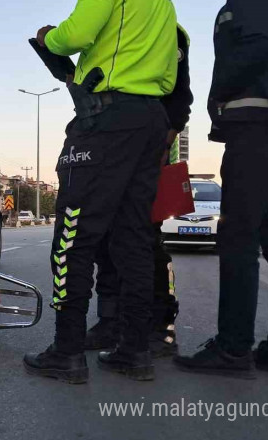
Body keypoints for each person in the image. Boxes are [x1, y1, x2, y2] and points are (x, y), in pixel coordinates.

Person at [23, 0, 178, 383]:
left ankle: (68, 350)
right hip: (150, 120)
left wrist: (49, 38)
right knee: (134, 239)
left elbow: (74, 35)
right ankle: (135, 350)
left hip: (105, 118)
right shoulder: (164, 6)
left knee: (71, 239)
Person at [174, 0, 268, 379]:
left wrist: (217, 95)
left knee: (238, 239)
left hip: (258, 124)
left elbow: (259, 46)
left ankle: (233, 348)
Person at [86, 24, 194, 358]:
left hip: (150, 154)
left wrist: (165, 142)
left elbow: (180, 98)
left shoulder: (168, 29)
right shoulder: (109, 22)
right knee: (105, 241)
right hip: (109, 150)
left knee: (145, 243)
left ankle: (161, 326)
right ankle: (111, 320)